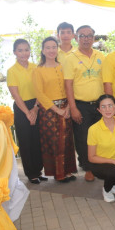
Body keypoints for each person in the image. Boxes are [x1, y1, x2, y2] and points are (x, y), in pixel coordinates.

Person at [63, 25, 105, 182]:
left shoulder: (101, 56)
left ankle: (101, 164)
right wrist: (73, 108)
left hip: (100, 105)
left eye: (89, 35)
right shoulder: (70, 58)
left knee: (100, 136)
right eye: (82, 36)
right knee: (83, 137)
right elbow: (68, 85)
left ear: (94, 38)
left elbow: (107, 80)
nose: (86, 38)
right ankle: (88, 168)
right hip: (81, 105)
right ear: (76, 38)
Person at [33, 37, 77, 182]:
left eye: (54, 47)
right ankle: (59, 174)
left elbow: (70, 86)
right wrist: (57, 110)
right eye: (48, 47)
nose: (51, 50)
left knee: (67, 140)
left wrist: (69, 106)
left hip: (66, 107)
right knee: (54, 142)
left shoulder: (62, 66)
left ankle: (68, 171)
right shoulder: (38, 70)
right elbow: (39, 93)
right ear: (43, 50)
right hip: (49, 111)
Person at [7, 39, 45, 184]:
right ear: (14, 52)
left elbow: (41, 90)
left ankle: (38, 170)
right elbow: (15, 95)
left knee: (37, 140)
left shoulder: (36, 67)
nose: (24, 53)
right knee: (26, 141)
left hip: (36, 104)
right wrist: (28, 113)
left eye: (26, 50)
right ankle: (30, 173)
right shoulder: (12, 71)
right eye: (20, 50)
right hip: (21, 107)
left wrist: (35, 108)